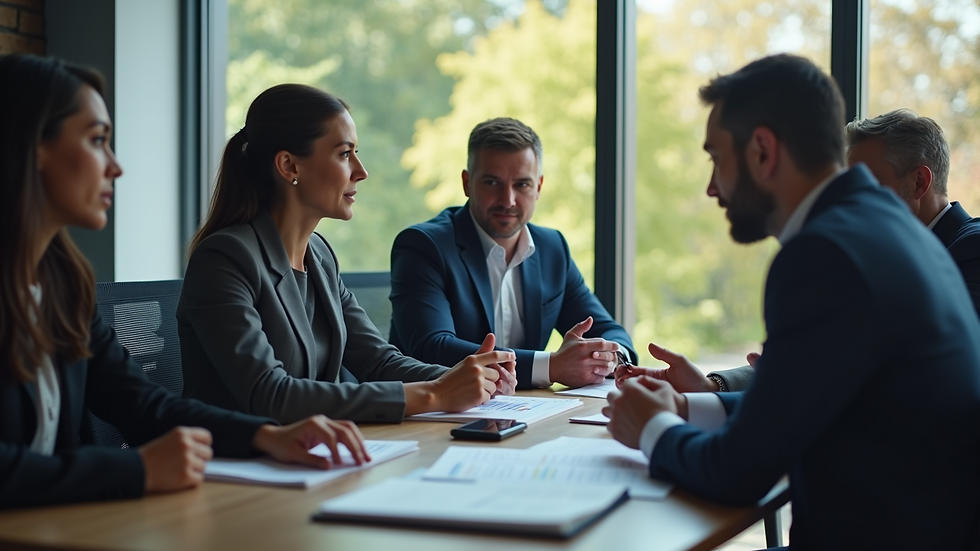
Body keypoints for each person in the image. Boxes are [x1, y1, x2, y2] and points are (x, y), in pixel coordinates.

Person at [603, 54, 980, 549]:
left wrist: (652, 428)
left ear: (762, 150)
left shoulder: (825, 252)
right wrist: (689, 406)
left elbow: (737, 473)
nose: (712, 187)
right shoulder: (883, 225)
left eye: (716, 158)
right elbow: (798, 405)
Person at [0, 54, 371, 509]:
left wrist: (266, 437)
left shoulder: (62, 287)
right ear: (32, 147)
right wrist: (137, 469)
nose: (115, 167)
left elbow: (144, 406)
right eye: (98, 141)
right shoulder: (230, 254)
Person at [177, 85, 516, 425]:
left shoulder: (319, 256)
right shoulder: (225, 259)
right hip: (231, 467)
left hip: (312, 454)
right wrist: (436, 393)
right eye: (344, 154)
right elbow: (271, 394)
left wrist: (469, 378)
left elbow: (377, 362)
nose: (361, 170)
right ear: (289, 165)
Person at [622, 108, 980, 395]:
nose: (855, 201)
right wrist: (714, 386)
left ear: (919, 181)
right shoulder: (882, 258)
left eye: (871, 185)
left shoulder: (971, 249)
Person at [389, 117, 636, 390]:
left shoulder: (553, 248)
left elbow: (611, 332)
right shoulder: (423, 246)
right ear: (467, 183)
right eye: (492, 183)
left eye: (522, 185)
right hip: (432, 416)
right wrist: (551, 366)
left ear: (539, 186)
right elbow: (431, 347)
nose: (508, 200)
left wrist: (608, 357)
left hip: (524, 412)